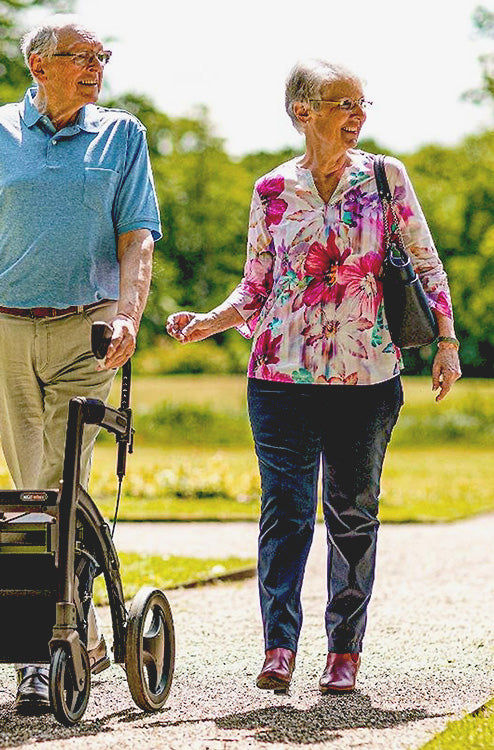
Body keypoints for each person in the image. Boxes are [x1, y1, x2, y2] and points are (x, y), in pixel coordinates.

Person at [166, 59, 461, 695]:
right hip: (278, 377)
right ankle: (279, 647)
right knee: (286, 511)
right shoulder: (272, 188)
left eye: (361, 104)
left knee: (352, 514)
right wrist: (208, 321)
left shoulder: (385, 177)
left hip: (368, 377)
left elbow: (425, 261)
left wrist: (446, 340)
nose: (358, 115)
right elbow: (256, 283)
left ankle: (344, 652)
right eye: (342, 104)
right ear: (303, 111)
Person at [0, 15, 161, 713]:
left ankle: (42, 654)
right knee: (32, 488)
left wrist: (130, 315)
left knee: (53, 486)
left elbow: (137, 238)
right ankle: (82, 631)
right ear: (38, 64)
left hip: (87, 332)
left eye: (102, 56)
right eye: (82, 57)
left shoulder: (122, 135)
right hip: (3, 329)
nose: (96, 67)